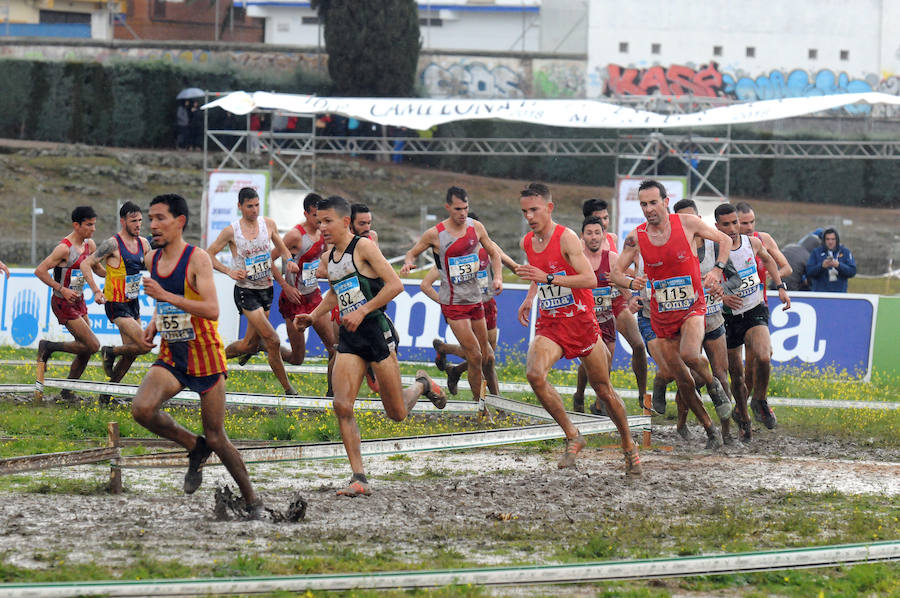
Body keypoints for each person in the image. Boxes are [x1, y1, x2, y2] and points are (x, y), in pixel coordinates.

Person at [294, 195, 447, 497]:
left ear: (344, 221)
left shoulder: (363, 247)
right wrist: (312, 317)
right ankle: (358, 477)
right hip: (350, 339)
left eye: (327, 221)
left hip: (375, 332)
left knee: (397, 413)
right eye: (318, 220)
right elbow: (336, 294)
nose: (320, 226)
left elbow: (395, 285)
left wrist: (362, 311)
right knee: (342, 405)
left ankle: (421, 383)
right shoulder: (329, 258)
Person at [132, 194, 263, 518]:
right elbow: (164, 303)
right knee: (142, 409)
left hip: (204, 354)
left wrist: (164, 296)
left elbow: (212, 310)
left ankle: (252, 501)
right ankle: (194, 445)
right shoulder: (152, 260)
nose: (153, 225)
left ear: (180, 222)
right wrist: (153, 323)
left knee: (218, 436)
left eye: (160, 218)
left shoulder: (197, 258)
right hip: (172, 353)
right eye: (151, 218)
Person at [515, 183, 641, 474]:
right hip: (551, 321)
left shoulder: (568, 238)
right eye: (524, 211)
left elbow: (588, 279)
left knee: (603, 390)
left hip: (581, 322)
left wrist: (548, 279)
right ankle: (573, 435)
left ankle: (629, 446)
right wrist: (529, 296)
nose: (529, 216)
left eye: (534, 210)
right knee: (534, 375)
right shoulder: (526, 242)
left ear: (549, 208)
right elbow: (540, 275)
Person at [610, 180, 733, 449]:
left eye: (653, 202)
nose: (649, 209)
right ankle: (709, 430)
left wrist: (717, 270)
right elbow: (616, 273)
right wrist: (632, 285)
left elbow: (724, 239)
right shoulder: (637, 236)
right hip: (661, 315)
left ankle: (714, 387)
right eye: (643, 204)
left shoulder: (686, 223)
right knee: (684, 379)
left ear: (666, 202)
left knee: (690, 354)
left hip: (692, 308)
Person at [401, 187, 503, 414]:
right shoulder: (435, 234)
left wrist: (498, 277)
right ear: (448, 208)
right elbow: (412, 252)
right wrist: (408, 262)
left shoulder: (476, 227)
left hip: (475, 299)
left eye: (466, 208)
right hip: (454, 305)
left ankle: (459, 375)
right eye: (458, 209)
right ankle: (481, 409)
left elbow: (495, 253)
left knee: (486, 356)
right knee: (476, 355)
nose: (463, 213)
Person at [206, 187, 299, 395]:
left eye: (256, 205)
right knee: (273, 339)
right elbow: (208, 254)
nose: (254, 210)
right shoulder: (232, 231)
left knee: (248, 344)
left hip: (266, 289)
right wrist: (228, 271)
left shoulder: (269, 224)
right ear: (240, 207)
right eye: (249, 206)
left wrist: (289, 260)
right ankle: (289, 390)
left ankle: (213, 358)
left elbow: (282, 247)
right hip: (245, 292)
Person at [714, 203, 791, 436]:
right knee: (737, 376)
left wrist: (779, 286)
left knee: (764, 356)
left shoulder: (754, 242)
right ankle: (743, 417)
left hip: (754, 309)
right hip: (727, 318)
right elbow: (703, 279)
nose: (733, 228)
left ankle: (759, 400)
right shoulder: (713, 249)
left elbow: (769, 261)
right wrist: (723, 296)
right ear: (717, 227)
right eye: (726, 225)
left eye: (735, 223)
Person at [427, 211, 520, 397]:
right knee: (486, 358)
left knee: (486, 358)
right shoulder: (454, 254)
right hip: (463, 307)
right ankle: (494, 403)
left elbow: (514, 267)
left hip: (487, 305)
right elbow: (425, 285)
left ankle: (451, 361)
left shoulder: (490, 247)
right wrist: (446, 302)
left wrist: (540, 276)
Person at [673, 199, 740, 444]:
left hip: (712, 320)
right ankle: (681, 425)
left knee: (722, 377)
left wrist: (721, 287)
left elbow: (736, 279)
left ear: (699, 219)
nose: (689, 224)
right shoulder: (674, 250)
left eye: (692, 218)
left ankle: (726, 432)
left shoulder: (713, 245)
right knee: (692, 380)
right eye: (682, 220)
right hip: (686, 322)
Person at [80, 202, 153, 401]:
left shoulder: (144, 243)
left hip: (133, 302)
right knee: (144, 344)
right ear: (123, 221)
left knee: (132, 352)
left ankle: (107, 394)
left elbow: (153, 266)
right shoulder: (112, 244)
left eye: (140, 220)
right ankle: (110, 351)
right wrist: (96, 290)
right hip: (116, 303)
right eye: (133, 221)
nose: (138, 225)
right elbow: (86, 264)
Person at [581, 198, 649, 410]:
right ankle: (584, 396)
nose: (604, 222)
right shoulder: (577, 245)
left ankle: (642, 396)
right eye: (599, 218)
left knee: (637, 344)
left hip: (615, 298)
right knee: (594, 354)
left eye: (606, 218)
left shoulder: (611, 238)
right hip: (593, 304)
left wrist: (630, 293)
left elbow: (616, 272)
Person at [34, 206, 102, 401]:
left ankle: (66, 391)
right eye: (89, 225)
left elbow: (97, 269)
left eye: (94, 224)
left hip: (79, 301)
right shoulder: (64, 248)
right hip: (62, 302)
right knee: (93, 345)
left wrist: (118, 272)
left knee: (86, 350)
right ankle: (49, 346)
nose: (93, 229)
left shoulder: (90, 245)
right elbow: (40, 270)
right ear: (76, 225)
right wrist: (62, 288)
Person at [734, 201, 793, 416]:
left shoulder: (763, 240)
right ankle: (739, 409)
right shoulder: (724, 243)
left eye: (752, 222)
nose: (749, 227)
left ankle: (755, 404)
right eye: (744, 223)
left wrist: (771, 277)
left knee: (757, 361)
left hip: (756, 307)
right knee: (737, 370)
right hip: (730, 311)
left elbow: (786, 267)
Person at [273, 193, 337, 372]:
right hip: (293, 300)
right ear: (306, 214)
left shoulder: (324, 232)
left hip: (314, 297)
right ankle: (265, 346)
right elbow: (269, 260)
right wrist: (286, 286)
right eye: (316, 215)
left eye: (323, 215)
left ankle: (332, 393)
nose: (320, 220)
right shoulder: (295, 235)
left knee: (334, 348)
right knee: (297, 358)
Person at [570, 216, 621, 413]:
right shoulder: (575, 258)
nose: (593, 237)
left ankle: (599, 404)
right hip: (584, 319)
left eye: (597, 233)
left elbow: (622, 282)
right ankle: (580, 394)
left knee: (606, 360)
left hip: (606, 317)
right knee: (590, 361)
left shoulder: (612, 258)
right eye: (589, 233)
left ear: (603, 235)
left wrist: (629, 290)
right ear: (582, 236)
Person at [806, 228, 856, 292]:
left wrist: (838, 265)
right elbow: (809, 271)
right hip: (820, 294)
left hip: (839, 294)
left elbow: (852, 271)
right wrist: (822, 266)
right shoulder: (816, 252)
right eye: (828, 239)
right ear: (824, 240)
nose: (830, 242)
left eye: (833, 239)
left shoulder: (845, 252)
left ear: (837, 240)